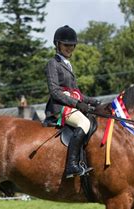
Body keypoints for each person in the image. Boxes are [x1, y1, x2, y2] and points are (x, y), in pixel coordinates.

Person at [45, 25, 101, 178]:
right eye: (66, 45)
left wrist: (93, 102)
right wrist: (77, 104)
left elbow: (77, 93)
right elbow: (55, 92)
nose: (70, 48)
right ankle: (72, 166)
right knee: (84, 123)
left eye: (72, 45)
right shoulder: (53, 64)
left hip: (70, 106)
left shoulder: (67, 65)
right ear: (57, 45)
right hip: (59, 108)